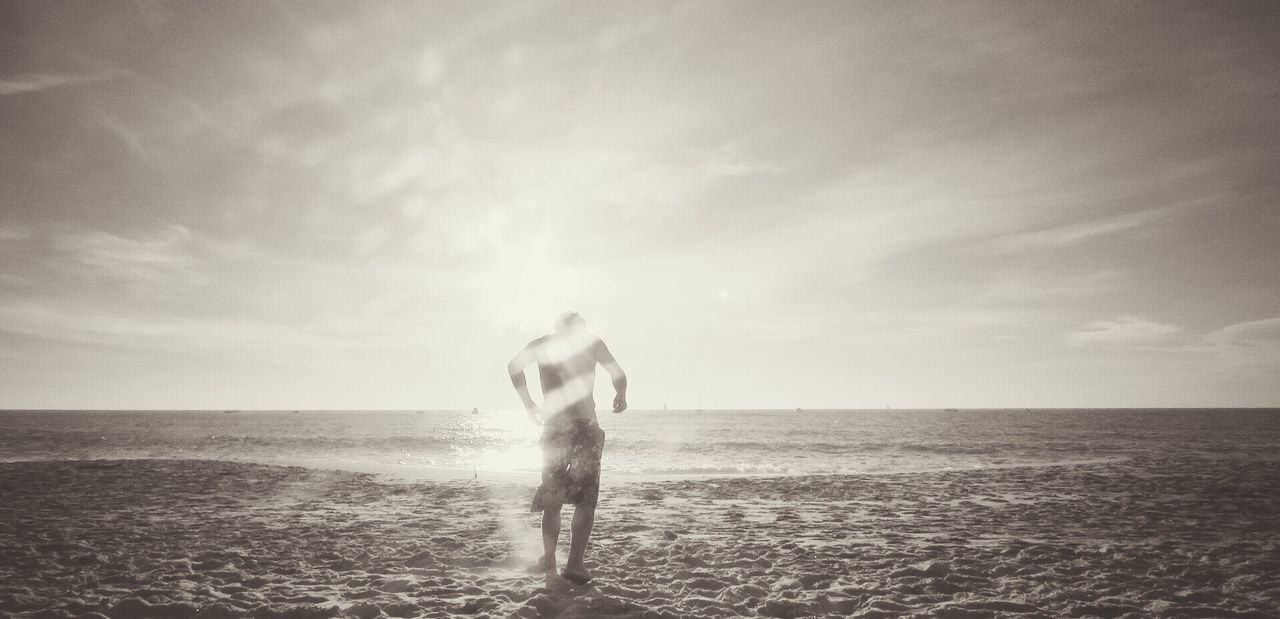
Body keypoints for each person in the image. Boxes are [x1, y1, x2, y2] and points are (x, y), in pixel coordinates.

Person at [507, 311, 627, 585]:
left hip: (554, 427)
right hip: (584, 425)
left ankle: (549, 558)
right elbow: (618, 373)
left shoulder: (543, 344)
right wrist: (621, 395)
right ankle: (574, 564)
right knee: (585, 498)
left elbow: (513, 366)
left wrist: (528, 404)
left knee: (554, 497)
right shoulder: (592, 343)